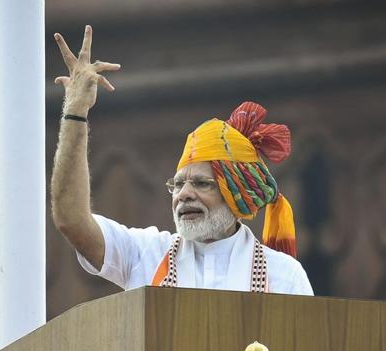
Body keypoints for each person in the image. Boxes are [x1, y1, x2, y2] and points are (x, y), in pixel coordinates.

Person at [51, 25, 313, 295]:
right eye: (177, 184)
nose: (184, 194)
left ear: (236, 194)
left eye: (202, 184)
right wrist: (75, 113)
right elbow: (71, 219)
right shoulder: (145, 254)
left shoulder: (284, 275)